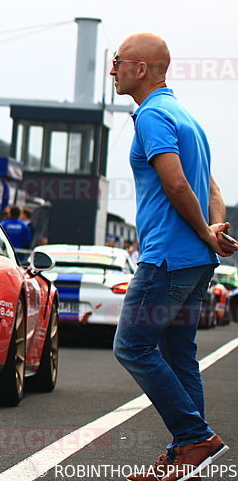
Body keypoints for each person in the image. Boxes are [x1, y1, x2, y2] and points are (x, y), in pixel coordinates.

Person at [110, 33, 238, 481]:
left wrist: (205, 229)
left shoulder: (152, 117)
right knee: (179, 354)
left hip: (166, 259)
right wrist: (215, 229)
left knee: (132, 346)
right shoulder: (186, 117)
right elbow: (213, 187)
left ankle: (193, 437)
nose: (112, 69)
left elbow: (178, 185)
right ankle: (185, 457)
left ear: (141, 69)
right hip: (197, 261)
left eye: (118, 62)